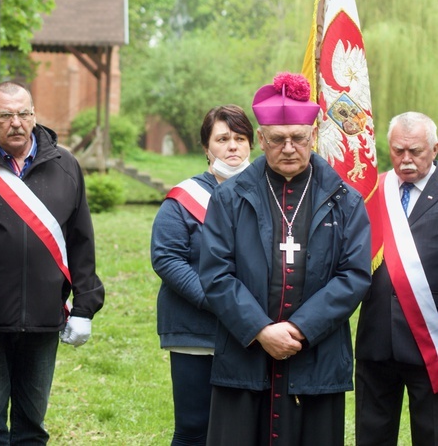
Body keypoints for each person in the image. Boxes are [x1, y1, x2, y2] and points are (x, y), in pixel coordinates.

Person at [199, 72, 371, 446]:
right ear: (261, 139)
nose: (289, 147)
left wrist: (298, 329)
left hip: (316, 357)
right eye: (278, 139)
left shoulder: (346, 200)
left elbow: (353, 276)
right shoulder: (230, 198)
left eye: (299, 138)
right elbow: (215, 274)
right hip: (244, 358)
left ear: (314, 135)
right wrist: (261, 330)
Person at [0, 81, 105, 444]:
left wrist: (85, 306)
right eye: (5, 115)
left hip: (43, 317)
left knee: (32, 426)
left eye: (23, 114)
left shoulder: (65, 164)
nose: (16, 123)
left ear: (34, 115)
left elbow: (81, 240)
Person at [151, 105, 254, 446]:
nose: (233, 146)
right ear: (206, 148)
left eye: (240, 138)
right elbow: (167, 259)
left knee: (243, 428)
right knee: (195, 428)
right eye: (223, 139)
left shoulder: (269, 194)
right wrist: (218, 302)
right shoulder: (183, 199)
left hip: (251, 332)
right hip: (196, 329)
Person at [355, 112, 438, 446]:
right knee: (372, 435)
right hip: (377, 340)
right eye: (398, 150)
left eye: (415, 151)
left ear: (434, 149)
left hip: (430, 343)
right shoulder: (374, 190)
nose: (405, 159)